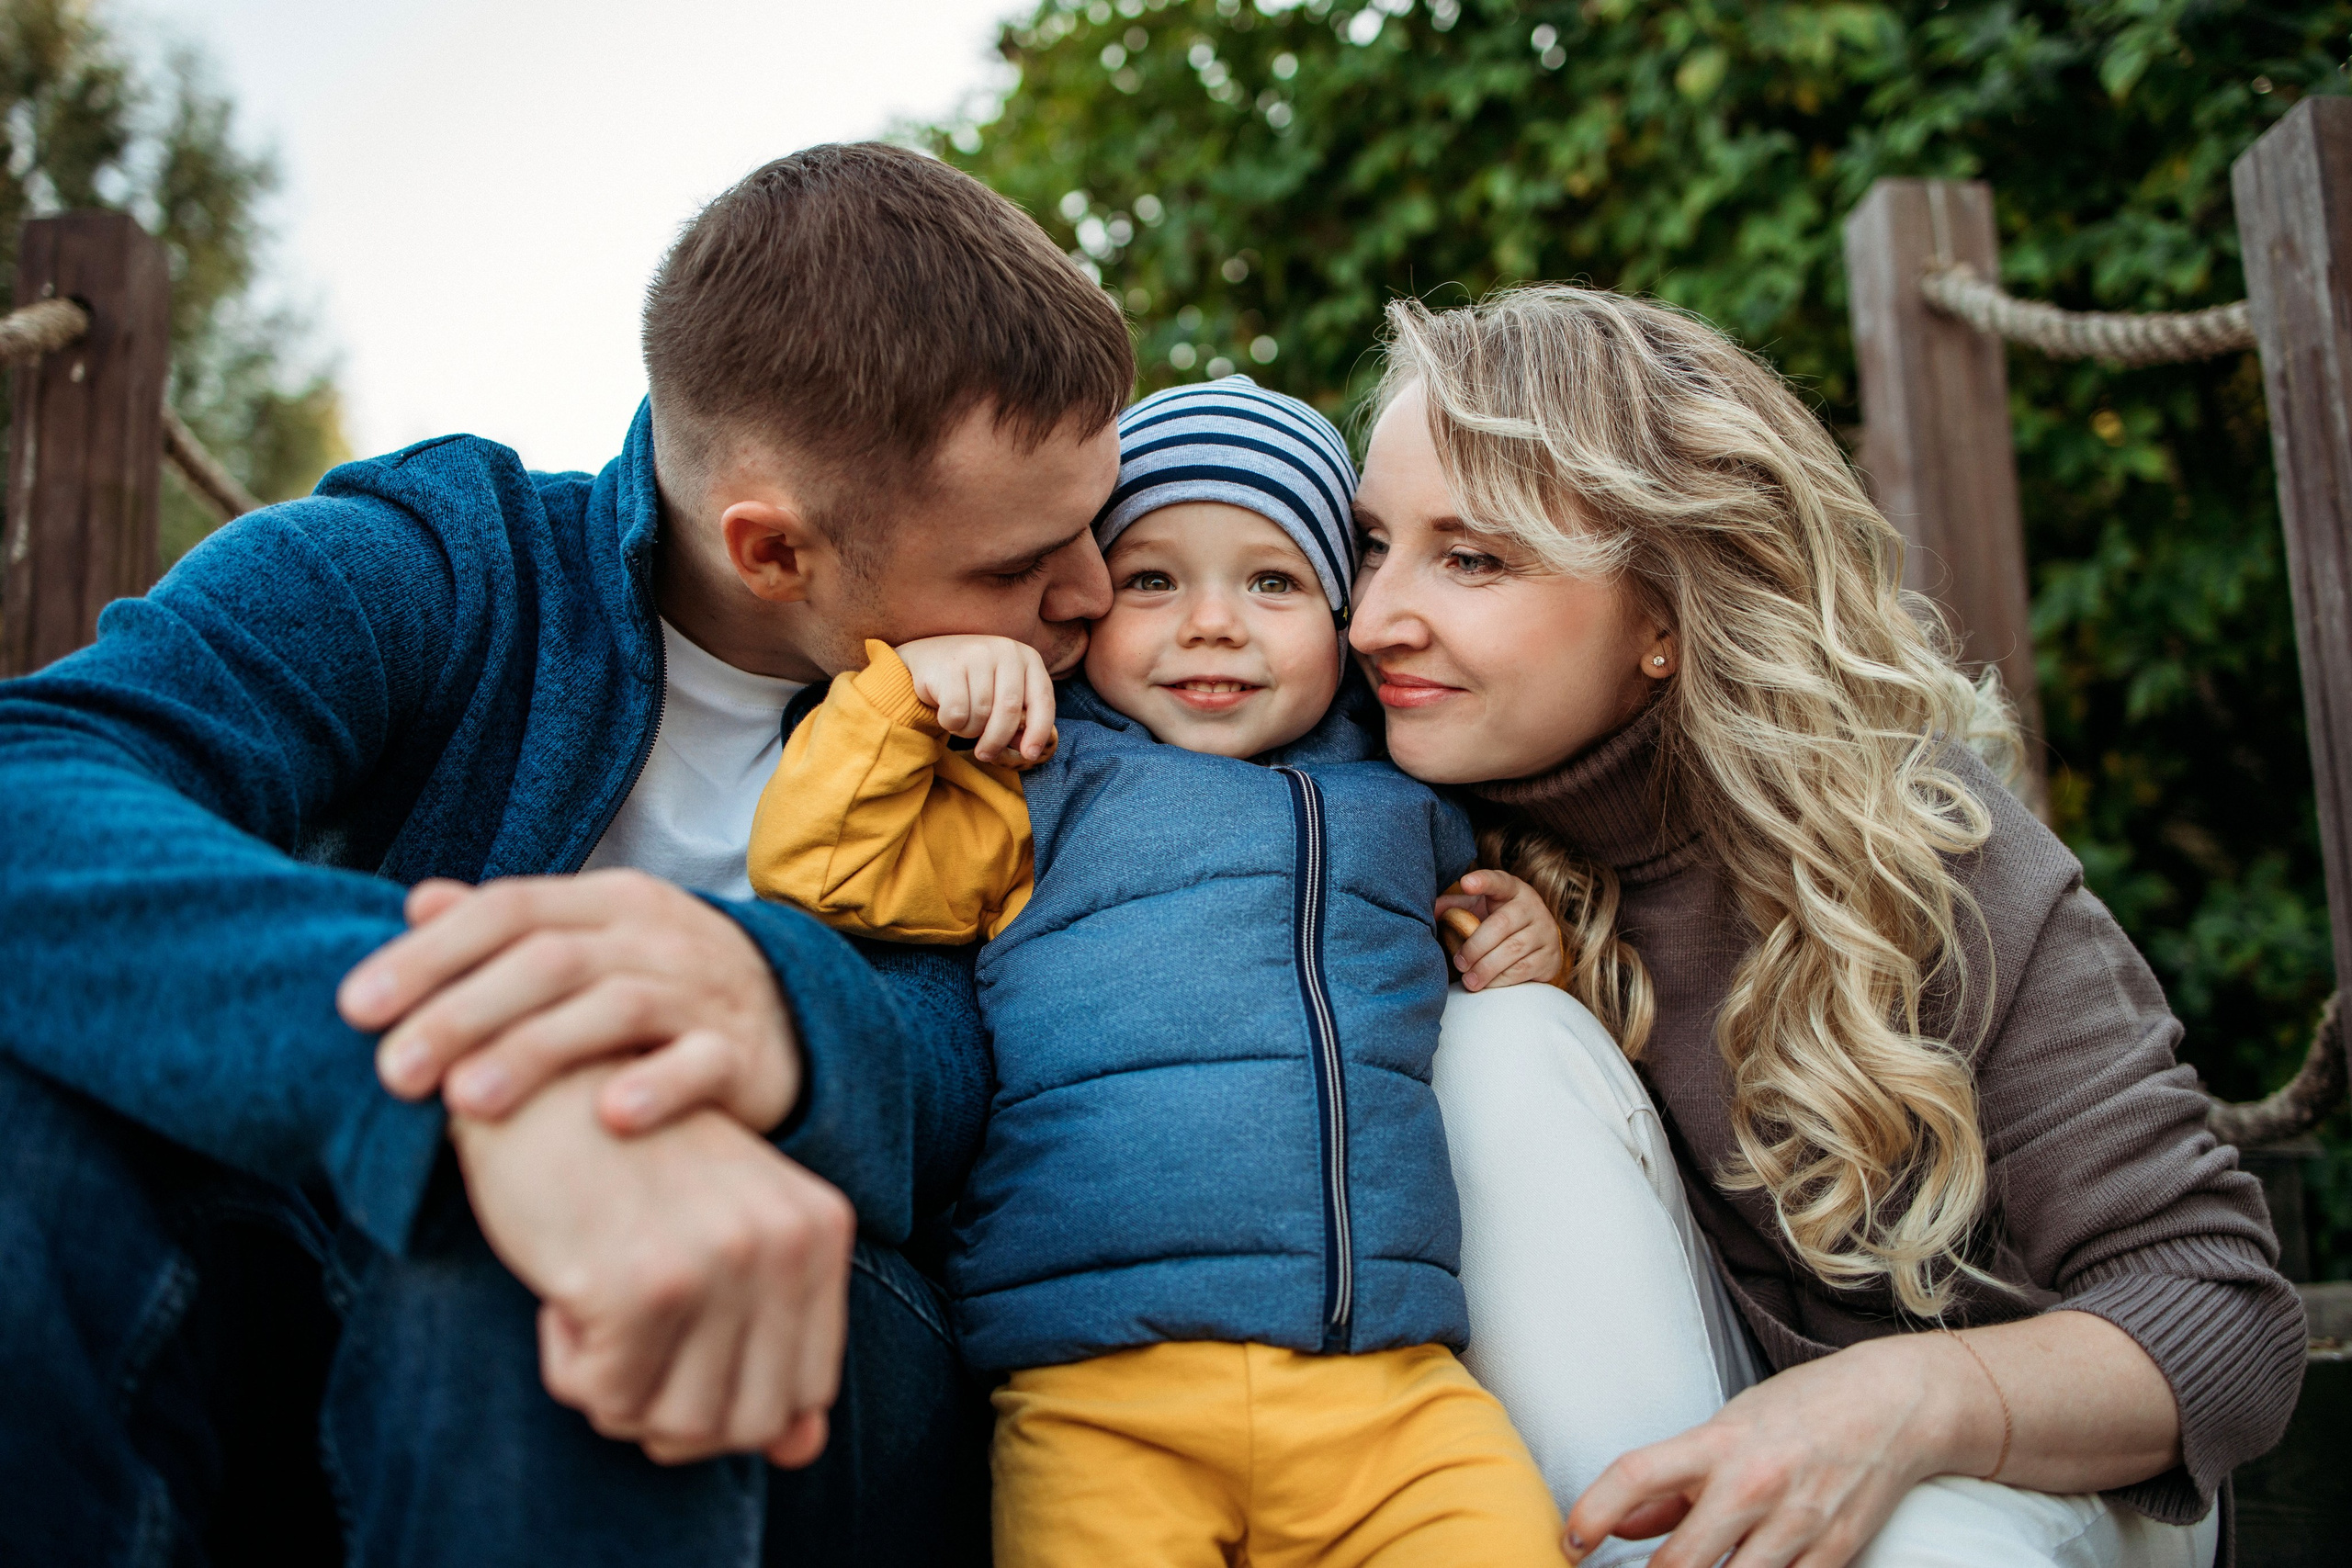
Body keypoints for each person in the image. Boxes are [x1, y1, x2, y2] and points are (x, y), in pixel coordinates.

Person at [0, 143, 1133, 1564]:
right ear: (772, 549)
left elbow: (1009, 1055)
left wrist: (775, 1004)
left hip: (831, 1312)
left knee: (550, 1302)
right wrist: (473, 1089)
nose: (1096, 590)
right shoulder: (440, 560)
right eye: (1019, 562)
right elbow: (30, 783)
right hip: (338, 1261)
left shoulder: (1046, 692)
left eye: (1094, 522)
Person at [1343, 285, 2305, 1568]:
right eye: (1369, 545)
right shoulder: (1392, 824)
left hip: (2031, 1459)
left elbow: (2224, 1317)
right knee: (1499, 1041)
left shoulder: (1919, 844)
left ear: (1664, 617)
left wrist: (1894, 1405)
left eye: (1472, 558)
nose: (1371, 621)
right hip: (1682, 1443)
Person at [747, 377, 1570, 1566]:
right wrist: (908, 693)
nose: (1213, 622)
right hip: (1101, 1394)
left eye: (1273, 581)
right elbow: (822, 865)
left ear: (1342, 617)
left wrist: (1526, 935)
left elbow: (1470, 942)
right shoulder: (1039, 783)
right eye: (1154, 580)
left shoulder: (1407, 802)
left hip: (1388, 1390)